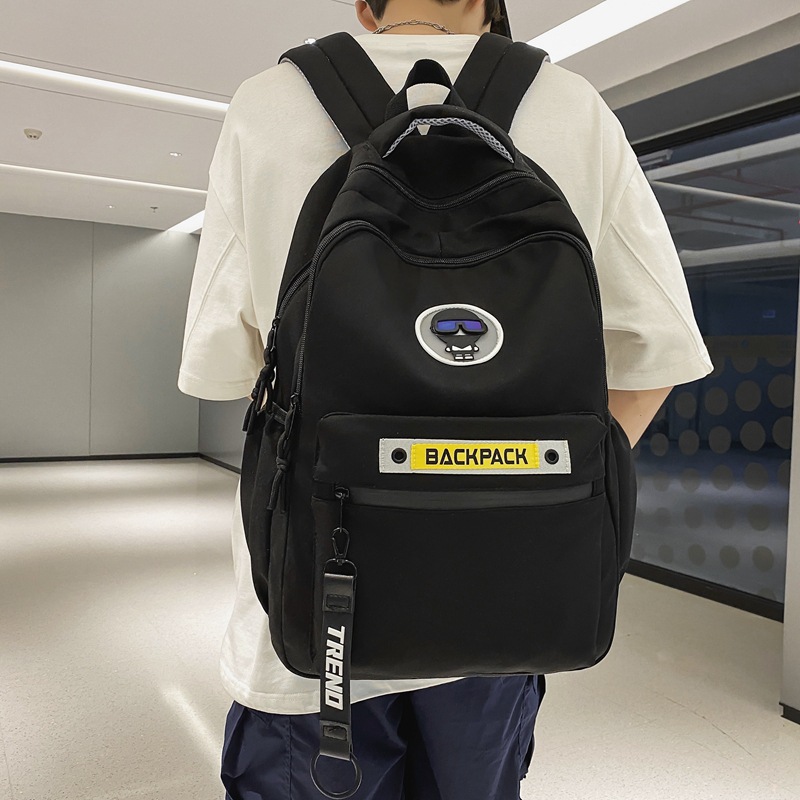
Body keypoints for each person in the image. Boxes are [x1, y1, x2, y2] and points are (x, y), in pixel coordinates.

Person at [177, 0, 714, 796]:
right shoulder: (573, 106)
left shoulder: (269, 102)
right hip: (506, 616)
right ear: (494, 9)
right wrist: (524, 486)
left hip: (317, 620)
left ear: (365, 7)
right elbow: (656, 355)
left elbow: (225, 368)